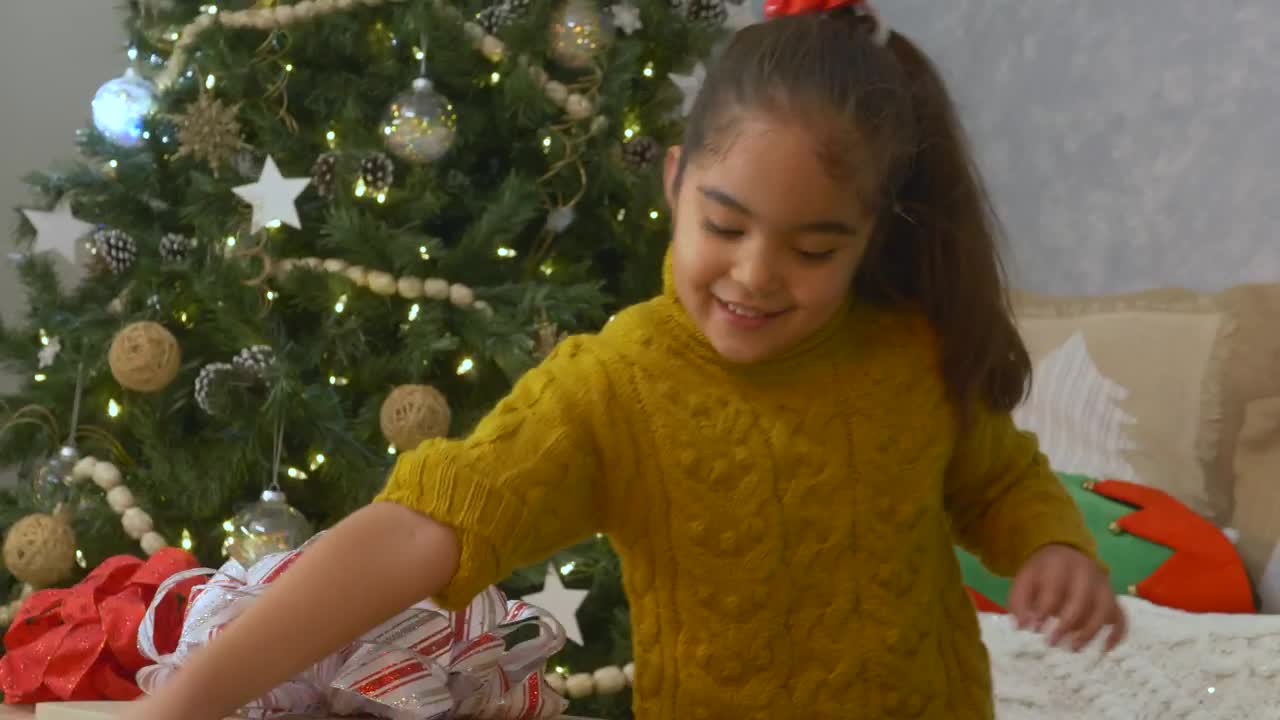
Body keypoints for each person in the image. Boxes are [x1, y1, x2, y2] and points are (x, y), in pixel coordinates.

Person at [124, 2, 1126, 718]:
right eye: (723, 224)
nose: (755, 274)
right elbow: (423, 526)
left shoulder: (908, 349)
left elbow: (997, 481)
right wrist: (193, 700)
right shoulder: (616, 386)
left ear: (870, 236)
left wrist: (1051, 549)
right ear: (678, 181)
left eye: (813, 249)